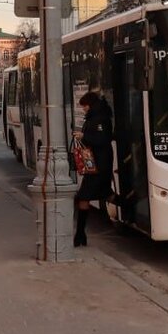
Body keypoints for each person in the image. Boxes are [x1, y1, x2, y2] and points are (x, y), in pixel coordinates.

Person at [72, 91, 114, 248]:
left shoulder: (100, 119)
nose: (83, 109)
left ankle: (80, 234)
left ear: (90, 105)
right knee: (106, 194)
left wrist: (83, 137)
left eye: (84, 107)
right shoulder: (96, 117)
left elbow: (103, 140)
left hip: (98, 165)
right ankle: (130, 208)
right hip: (96, 163)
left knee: (84, 196)